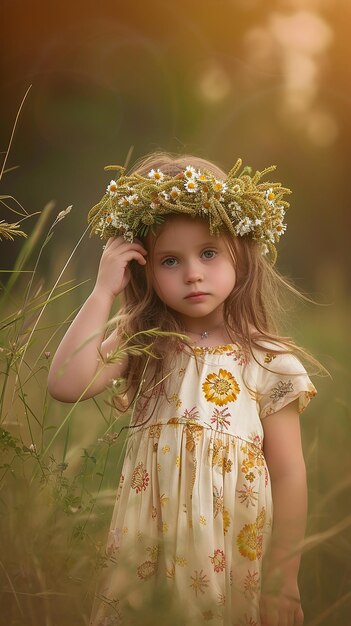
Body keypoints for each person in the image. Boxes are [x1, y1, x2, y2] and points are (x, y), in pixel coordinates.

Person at [48, 153, 318, 626]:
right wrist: (102, 292)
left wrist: (284, 577)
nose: (192, 272)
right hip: (146, 547)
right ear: (144, 270)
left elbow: (291, 474)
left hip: (228, 553)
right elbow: (65, 383)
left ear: (241, 252)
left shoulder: (269, 362)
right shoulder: (145, 339)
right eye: (170, 260)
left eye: (208, 253)